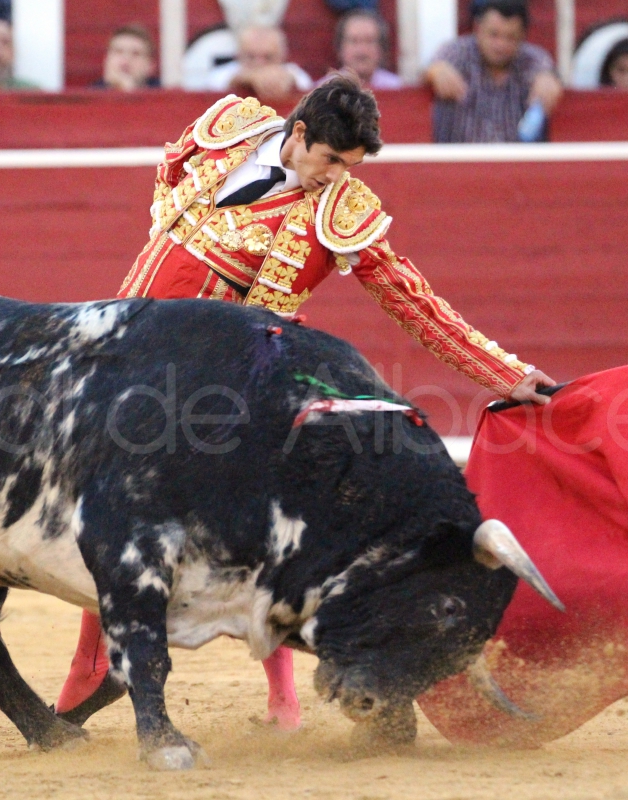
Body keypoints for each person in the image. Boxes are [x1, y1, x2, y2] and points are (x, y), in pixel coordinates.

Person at [54, 76, 556, 732]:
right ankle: (281, 699)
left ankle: (97, 670)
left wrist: (503, 373)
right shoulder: (229, 128)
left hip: (210, 391)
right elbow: (169, 172)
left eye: (351, 167)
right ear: (297, 136)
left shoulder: (340, 214)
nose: (336, 179)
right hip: (125, 349)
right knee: (222, 537)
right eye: (330, 161)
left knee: (121, 514)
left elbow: (410, 298)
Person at [424, 0, 562, 143]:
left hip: (519, 162)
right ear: (477, 29)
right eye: (493, 35)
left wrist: (550, 79)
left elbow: (548, 73)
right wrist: (436, 71)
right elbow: (429, 68)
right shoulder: (458, 53)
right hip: (459, 162)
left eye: (510, 37)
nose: (500, 45)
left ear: (522, 36)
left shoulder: (531, 60)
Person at [200, 26, 313, 98]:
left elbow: (305, 84)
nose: (259, 64)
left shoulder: (293, 72)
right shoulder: (223, 73)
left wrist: (288, 79)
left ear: (282, 56)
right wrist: (247, 79)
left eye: (268, 57)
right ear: (239, 55)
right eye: (251, 57)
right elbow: (215, 83)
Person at [321, 8, 402, 90]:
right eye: (354, 41)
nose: (361, 50)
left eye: (369, 41)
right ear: (340, 48)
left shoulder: (398, 89)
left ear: (381, 48)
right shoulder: (323, 91)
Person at [93, 24, 160, 91]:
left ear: (151, 66)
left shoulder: (162, 95)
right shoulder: (91, 96)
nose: (126, 59)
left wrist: (129, 90)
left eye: (135, 53)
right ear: (106, 60)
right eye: (118, 51)